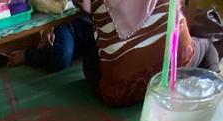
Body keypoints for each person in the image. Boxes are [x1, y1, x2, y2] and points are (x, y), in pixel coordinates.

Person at [72, 0, 220, 106]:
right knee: (207, 47)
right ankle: (213, 95)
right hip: (175, 67)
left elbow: (82, 7)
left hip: (120, 91)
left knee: (91, 63)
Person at [8, 15, 96, 72]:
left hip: (97, 31)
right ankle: (28, 55)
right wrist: (49, 27)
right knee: (61, 57)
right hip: (70, 24)